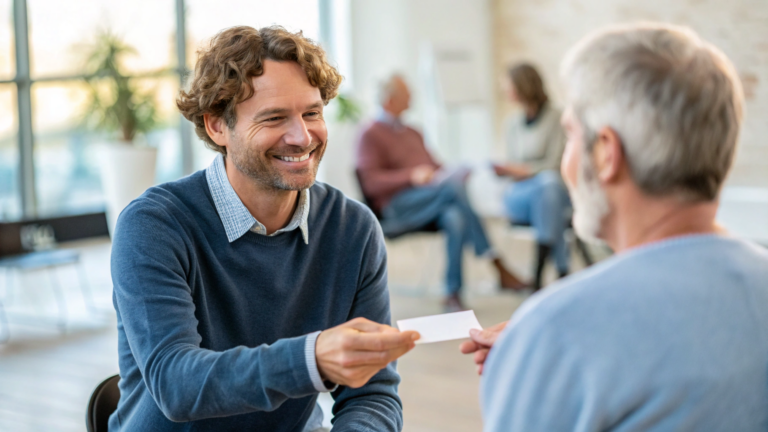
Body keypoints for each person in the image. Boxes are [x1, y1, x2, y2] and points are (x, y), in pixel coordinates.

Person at [109, 26, 419, 432]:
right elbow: (177, 383)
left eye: (311, 112)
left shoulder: (352, 229)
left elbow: (372, 393)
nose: (302, 136)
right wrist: (312, 358)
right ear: (218, 126)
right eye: (275, 118)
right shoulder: (153, 227)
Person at [461, 23, 768, 431]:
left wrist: (544, 354)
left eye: (570, 135)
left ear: (606, 153)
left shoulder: (556, 330)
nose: (567, 161)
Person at [355, 75, 526, 312]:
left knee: (454, 216)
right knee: (452, 192)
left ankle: (452, 292)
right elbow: (371, 182)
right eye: (406, 95)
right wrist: (411, 176)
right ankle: (495, 262)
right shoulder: (369, 133)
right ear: (390, 101)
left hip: (432, 199)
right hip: (397, 207)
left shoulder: (413, 132)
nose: (412, 98)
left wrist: (456, 170)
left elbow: (436, 167)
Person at [492, 63, 571, 290]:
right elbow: (510, 163)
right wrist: (513, 171)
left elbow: (556, 165)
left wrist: (525, 170)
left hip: (550, 191)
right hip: (520, 195)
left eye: (508, 86)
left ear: (522, 86)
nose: (505, 92)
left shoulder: (557, 118)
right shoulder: (512, 125)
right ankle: (561, 270)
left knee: (549, 186)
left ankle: (537, 276)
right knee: (548, 191)